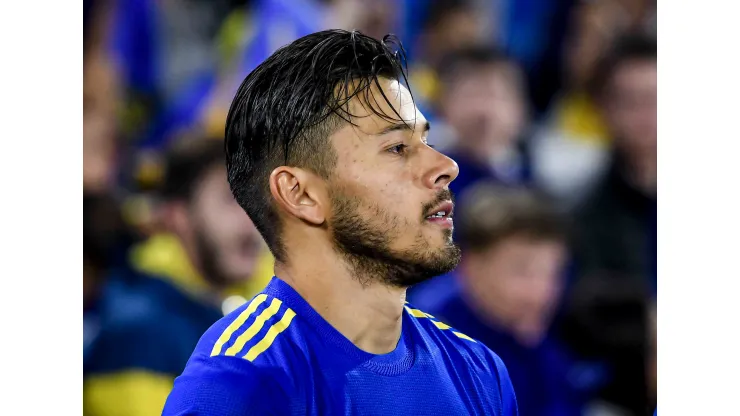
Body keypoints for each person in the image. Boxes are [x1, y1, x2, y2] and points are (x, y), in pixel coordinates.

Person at [163, 29, 518, 415]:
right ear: (301, 194)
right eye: (397, 148)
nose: (445, 166)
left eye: (426, 142)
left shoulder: (479, 371)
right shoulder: (243, 383)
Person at [83, 138, 274, 416]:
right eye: (231, 200)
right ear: (178, 216)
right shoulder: (138, 331)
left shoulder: (253, 301)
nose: (253, 219)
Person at [409, 182, 593, 416]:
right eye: (521, 271)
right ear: (471, 266)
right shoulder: (427, 350)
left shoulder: (537, 333)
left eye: (552, 273)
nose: (541, 293)